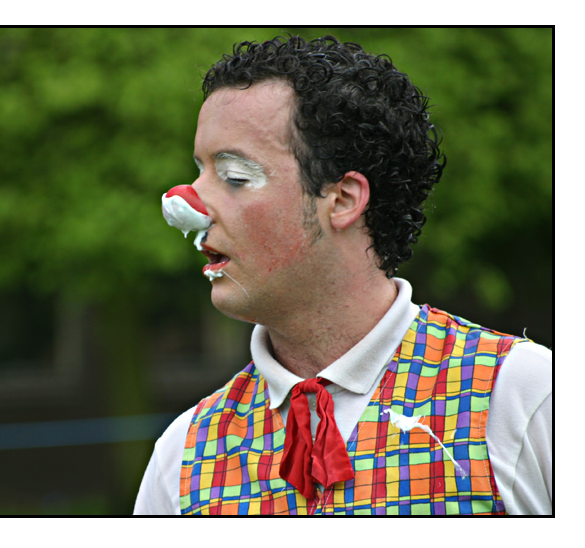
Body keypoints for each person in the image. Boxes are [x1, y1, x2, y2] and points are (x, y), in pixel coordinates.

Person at [134, 35, 552, 515]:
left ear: (344, 200)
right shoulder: (183, 455)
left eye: (234, 177)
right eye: (199, 172)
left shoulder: (521, 396)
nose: (192, 207)